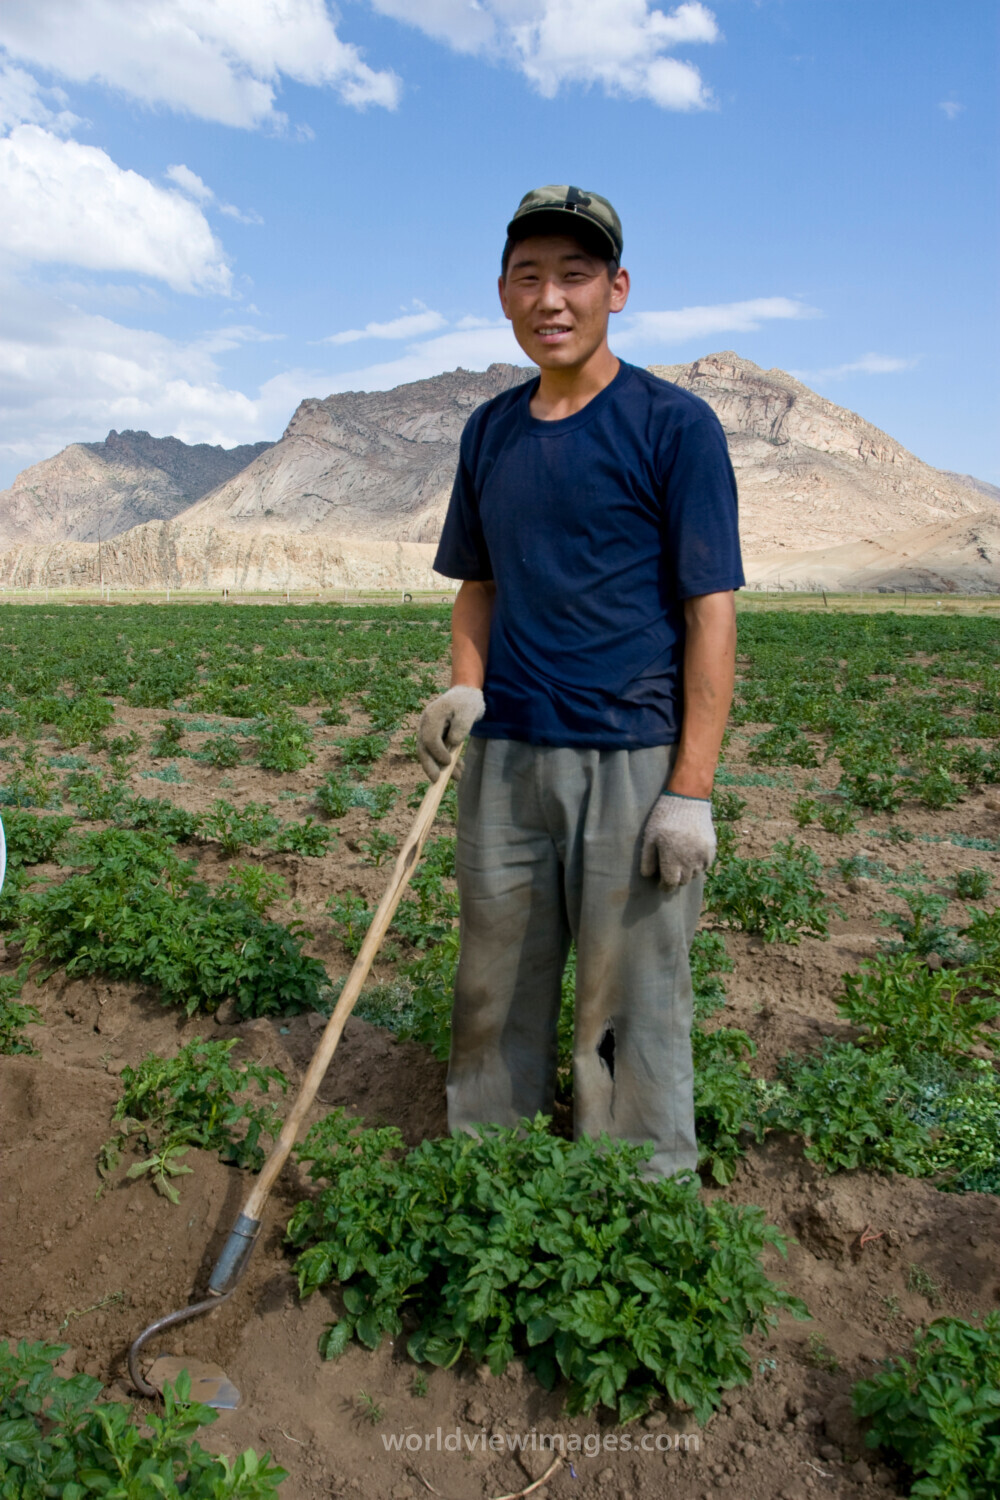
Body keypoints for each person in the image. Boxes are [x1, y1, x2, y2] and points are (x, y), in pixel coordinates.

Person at [417, 185, 743, 1178]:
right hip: (506, 754)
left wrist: (689, 789)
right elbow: (477, 585)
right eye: (529, 277)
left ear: (616, 288)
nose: (550, 298)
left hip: (630, 757)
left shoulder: (671, 425)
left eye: (574, 275)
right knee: (493, 985)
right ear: (503, 295)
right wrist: (466, 687)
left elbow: (710, 614)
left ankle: (635, 1190)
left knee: (630, 996)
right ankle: (494, 1165)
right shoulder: (489, 432)